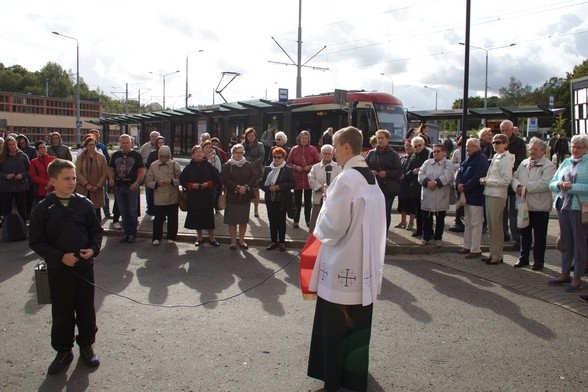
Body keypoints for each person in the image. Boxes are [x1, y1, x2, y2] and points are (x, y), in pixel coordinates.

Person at [307, 126, 386, 392]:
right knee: (357, 326)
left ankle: (334, 379)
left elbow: (334, 226)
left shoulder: (346, 179)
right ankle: (354, 379)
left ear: (346, 148)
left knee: (335, 327)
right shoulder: (370, 179)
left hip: (343, 266)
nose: (329, 151)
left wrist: (324, 209)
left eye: (333, 146)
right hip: (364, 265)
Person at [29, 158, 103, 374]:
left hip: (84, 268)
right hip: (58, 270)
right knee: (62, 312)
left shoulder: (84, 204)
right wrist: (59, 257)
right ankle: (63, 351)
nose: (72, 182)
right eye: (66, 179)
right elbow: (36, 241)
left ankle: (87, 346)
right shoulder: (43, 208)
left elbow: (96, 232)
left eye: (73, 178)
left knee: (86, 309)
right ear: (53, 181)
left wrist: (93, 249)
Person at [548, 134, 588, 292]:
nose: (575, 149)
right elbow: (552, 183)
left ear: (585, 149)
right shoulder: (565, 162)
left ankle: (577, 277)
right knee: (565, 241)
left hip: (579, 208)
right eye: (573, 146)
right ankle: (565, 273)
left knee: (580, 243)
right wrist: (559, 184)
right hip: (563, 206)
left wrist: (572, 187)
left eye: (579, 147)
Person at [511, 137, 556, 270]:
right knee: (524, 234)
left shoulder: (549, 165)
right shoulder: (524, 163)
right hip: (525, 205)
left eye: (535, 149)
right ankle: (523, 258)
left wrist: (524, 188)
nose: (532, 152)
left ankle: (538, 261)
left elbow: (544, 184)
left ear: (543, 151)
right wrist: (517, 186)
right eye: (530, 149)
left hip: (540, 207)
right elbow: (514, 177)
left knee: (539, 236)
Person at [479, 134, 514, 265]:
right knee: (491, 226)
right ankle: (493, 252)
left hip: (497, 194)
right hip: (490, 193)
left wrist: (489, 181)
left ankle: (497, 255)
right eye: (493, 142)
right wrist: (486, 181)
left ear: (505, 144)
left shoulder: (506, 158)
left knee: (496, 225)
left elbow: (506, 180)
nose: (495, 145)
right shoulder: (496, 156)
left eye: (498, 142)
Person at [180, 144, 222, 247]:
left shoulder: (209, 166)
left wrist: (208, 184)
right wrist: (190, 185)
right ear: (193, 155)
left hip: (206, 197)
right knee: (196, 219)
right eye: (196, 152)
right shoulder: (188, 168)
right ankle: (200, 237)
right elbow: (182, 180)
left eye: (200, 152)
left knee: (209, 219)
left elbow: (217, 179)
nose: (199, 154)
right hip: (193, 198)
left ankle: (212, 238)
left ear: (203, 154)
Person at [456, 138, 489, 259]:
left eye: (468, 147)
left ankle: (475, 249)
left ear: (476, 147)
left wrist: (464, 186)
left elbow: (478, 177)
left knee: (476, 223)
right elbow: (460, 172)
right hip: (467, 195)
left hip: (476, 196)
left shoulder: (481, 159)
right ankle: (467, 246)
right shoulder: (469, 157)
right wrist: (458, 183)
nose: (466, 149)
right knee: (468, 223)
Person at [108, 134, 145, 244]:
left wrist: (137, 182)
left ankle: (132, 234)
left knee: (132, 211)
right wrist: (110, 178)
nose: (125, 145)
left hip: (131, 187)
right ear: (120, 143)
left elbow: (141, 171)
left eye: (127, 143)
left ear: (131, 143)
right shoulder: (115, 155)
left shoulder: (137, 155)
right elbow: (110, 168)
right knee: (123, 211)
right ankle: (126, 233)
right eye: (123, 143)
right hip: (119, 187)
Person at [221, 144, 258, 250]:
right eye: (237, 152)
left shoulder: (248, 164)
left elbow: (253, 177)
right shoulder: (228, 165)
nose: (239, 155)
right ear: (233, 153)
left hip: (245, 197)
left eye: (241, 152)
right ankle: (233, 241)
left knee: (243, 220)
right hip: (232, 196)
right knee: (232, 221)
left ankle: (241, 240)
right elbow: (225, 179)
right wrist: (237, 187)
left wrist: (246, 187)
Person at [259, 147, 296, 251]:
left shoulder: (287, 169)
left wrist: (279, 187)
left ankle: (282, 242)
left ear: (283, 158)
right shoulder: (267, 169)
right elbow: (261, 183)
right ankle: (273, 241)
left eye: (279, 157)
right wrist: (268, 188)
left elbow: (293, 183)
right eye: (275, 157)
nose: (276, 159)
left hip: (282, 199)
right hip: (270, 199)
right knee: (272, 220)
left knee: (281, 221)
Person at [418, 144, 455, 247]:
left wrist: (436, 183)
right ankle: (425, 237)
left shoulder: (448, 163)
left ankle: (438, 238)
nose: (435, 153)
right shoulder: (427, 162)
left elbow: (448, 175)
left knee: (440, 220)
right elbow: (421, 174)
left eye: (438, 151)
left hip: (441, 195)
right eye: (434, 152)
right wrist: (427, 182)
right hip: (427, 194)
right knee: (426, 219)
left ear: (443, 152)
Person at [365, 129, 402, 231]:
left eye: (382, 138)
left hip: (388, 189)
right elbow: (364, 168)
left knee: (385, 212)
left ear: (387, 139)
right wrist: (370, 172)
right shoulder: (371, 153)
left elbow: (399, 171)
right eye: (378, 138)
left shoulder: (393, 154)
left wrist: (387, 173)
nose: (380, 140)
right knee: (373, 213)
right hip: (373, 188)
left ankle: (383, 236)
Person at [145, 145, 181, 245]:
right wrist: (157, 183)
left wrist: (172, 181)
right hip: (159, 196)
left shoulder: (175, 164)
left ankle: (172, 237)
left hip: (172, 195)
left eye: (166, 156)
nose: (164, 158)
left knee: (173, 219)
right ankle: (156, 237)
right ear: (159, 155)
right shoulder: (153, 165)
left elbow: (181, 180)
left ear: (169, 155)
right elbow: (148, 181)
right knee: (158, 219)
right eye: (162, 156)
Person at [500, 120, 526, 250]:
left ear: (512, 130)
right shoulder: (499, 141)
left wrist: (508, 171)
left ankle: (517, 238)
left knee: (514, 211)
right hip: (502, 182)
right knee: (502, 210)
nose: (504, 132)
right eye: (502, 130)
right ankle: (504, 234)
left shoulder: (520, 143)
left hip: (515, 180)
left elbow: (520, 162)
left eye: (506, 130)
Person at [286, 130, 320, 229]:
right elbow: (288, 162)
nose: (304, 140)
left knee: (308, 202)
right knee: (297, 201)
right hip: (297, 179)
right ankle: (296, 221)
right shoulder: (294, 149)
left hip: (309, 179)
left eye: (306, 138)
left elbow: (318, 163)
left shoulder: (313, 149)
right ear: (299, 139)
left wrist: (309, 167)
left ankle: (308, 220)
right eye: (302, 138)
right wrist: (295, 167)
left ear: (308, 139)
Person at [307, 144, 342, 233]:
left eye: (329, 153)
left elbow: (340, 180)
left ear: (332, 154)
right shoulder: (315, 167)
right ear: (321, 154)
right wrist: (321, 188)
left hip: (333, 200)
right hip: (318, 199)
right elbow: (311, 179)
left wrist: (329, 189)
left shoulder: (338, 167)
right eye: (324, 153)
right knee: (315, 223)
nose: (326, 155)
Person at [75, 135, 108, 220]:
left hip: (97, 188)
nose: (92, 147)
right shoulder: (81, 157)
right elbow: (77, 172)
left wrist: (98, 185)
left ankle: (97, 231)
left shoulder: (101, 157)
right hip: (83, 188)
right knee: (83, 210)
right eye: (90, 145)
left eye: (93, 144)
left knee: (96, 211)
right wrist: (86, 184)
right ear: (85, 146)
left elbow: (104, 173)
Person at [404, 136, 430, 238]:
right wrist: (413, 171)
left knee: (426, 211)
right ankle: (419, 230)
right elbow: (407, 171)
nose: (418, 147)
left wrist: (421, 170)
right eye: (415, 146)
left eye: (419, 145)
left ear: (423, 145)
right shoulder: (413, 156)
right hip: (415, 187)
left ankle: (428, 232)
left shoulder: (428, 155)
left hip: (425, 186)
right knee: (418, 211)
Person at [0, 135, 30, 221]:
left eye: (14, 144)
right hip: (6, 187)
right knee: (7, 210)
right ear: (6, 146)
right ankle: (7, 228)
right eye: (10, 145)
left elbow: (29, 170)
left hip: (20, 187)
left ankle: (23, 228)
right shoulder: (2, 157)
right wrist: (6, 176)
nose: (12, 146)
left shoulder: (23, 156)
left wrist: (22, 174)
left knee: (21, 209)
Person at [243, 127, 265, 218]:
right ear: (246, 136)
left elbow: (261, 157)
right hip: (244, 170)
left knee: (255, 190)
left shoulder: (260, 145)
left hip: (256, 170)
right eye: (249, 135)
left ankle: (256, 209)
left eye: (252, 135)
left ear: (255, 136)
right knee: (245, 189)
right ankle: (245, 209)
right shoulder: (243, 145)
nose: (251, 137)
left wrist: (252, 163)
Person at [89, 129, 111, 219]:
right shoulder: (84, 147)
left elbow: (107, 160)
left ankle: (107, 213)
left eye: (97, 136)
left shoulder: (102, 146)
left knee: (104, 195)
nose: (96, 137)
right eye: (94, 135)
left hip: (101, 175)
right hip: (89, 177)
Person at [139, 130, 160, 216]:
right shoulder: (144, 147)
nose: (154, 138)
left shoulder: (162, 147)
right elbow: (139, 159)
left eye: (156, 137)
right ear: (150, 137)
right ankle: (150, 209)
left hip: (159, 175)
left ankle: (159, 210)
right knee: (149, 193)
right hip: (148, 174)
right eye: (152, 136)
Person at [396, 139, 415, 230]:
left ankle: (411, 222)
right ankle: (403, 221)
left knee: (411, 204)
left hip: (410, 183)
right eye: (406, 146)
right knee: (402, 203)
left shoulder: (415, 157)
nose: (408, 147)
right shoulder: (402, 157)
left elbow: (413, 170)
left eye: (410, 146)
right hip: (402, 184)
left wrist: (405, 176)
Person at [448, 136, 466, 232]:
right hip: (458, 177)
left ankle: (463, 218)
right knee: (458, 199)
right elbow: (452, 164)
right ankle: (458, 218)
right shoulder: (457, 152)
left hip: (466, 179)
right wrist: (461, 164)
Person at [29, 140, 56, 205]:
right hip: (40, 190)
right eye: (40, 148)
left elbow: (58, 172)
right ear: (37, 150)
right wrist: (47, 183)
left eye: (44, 147)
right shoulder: (34, 161)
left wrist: (51, 183)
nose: (43, 149)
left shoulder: (53, 159)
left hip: (53, 189)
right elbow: (33, 176)